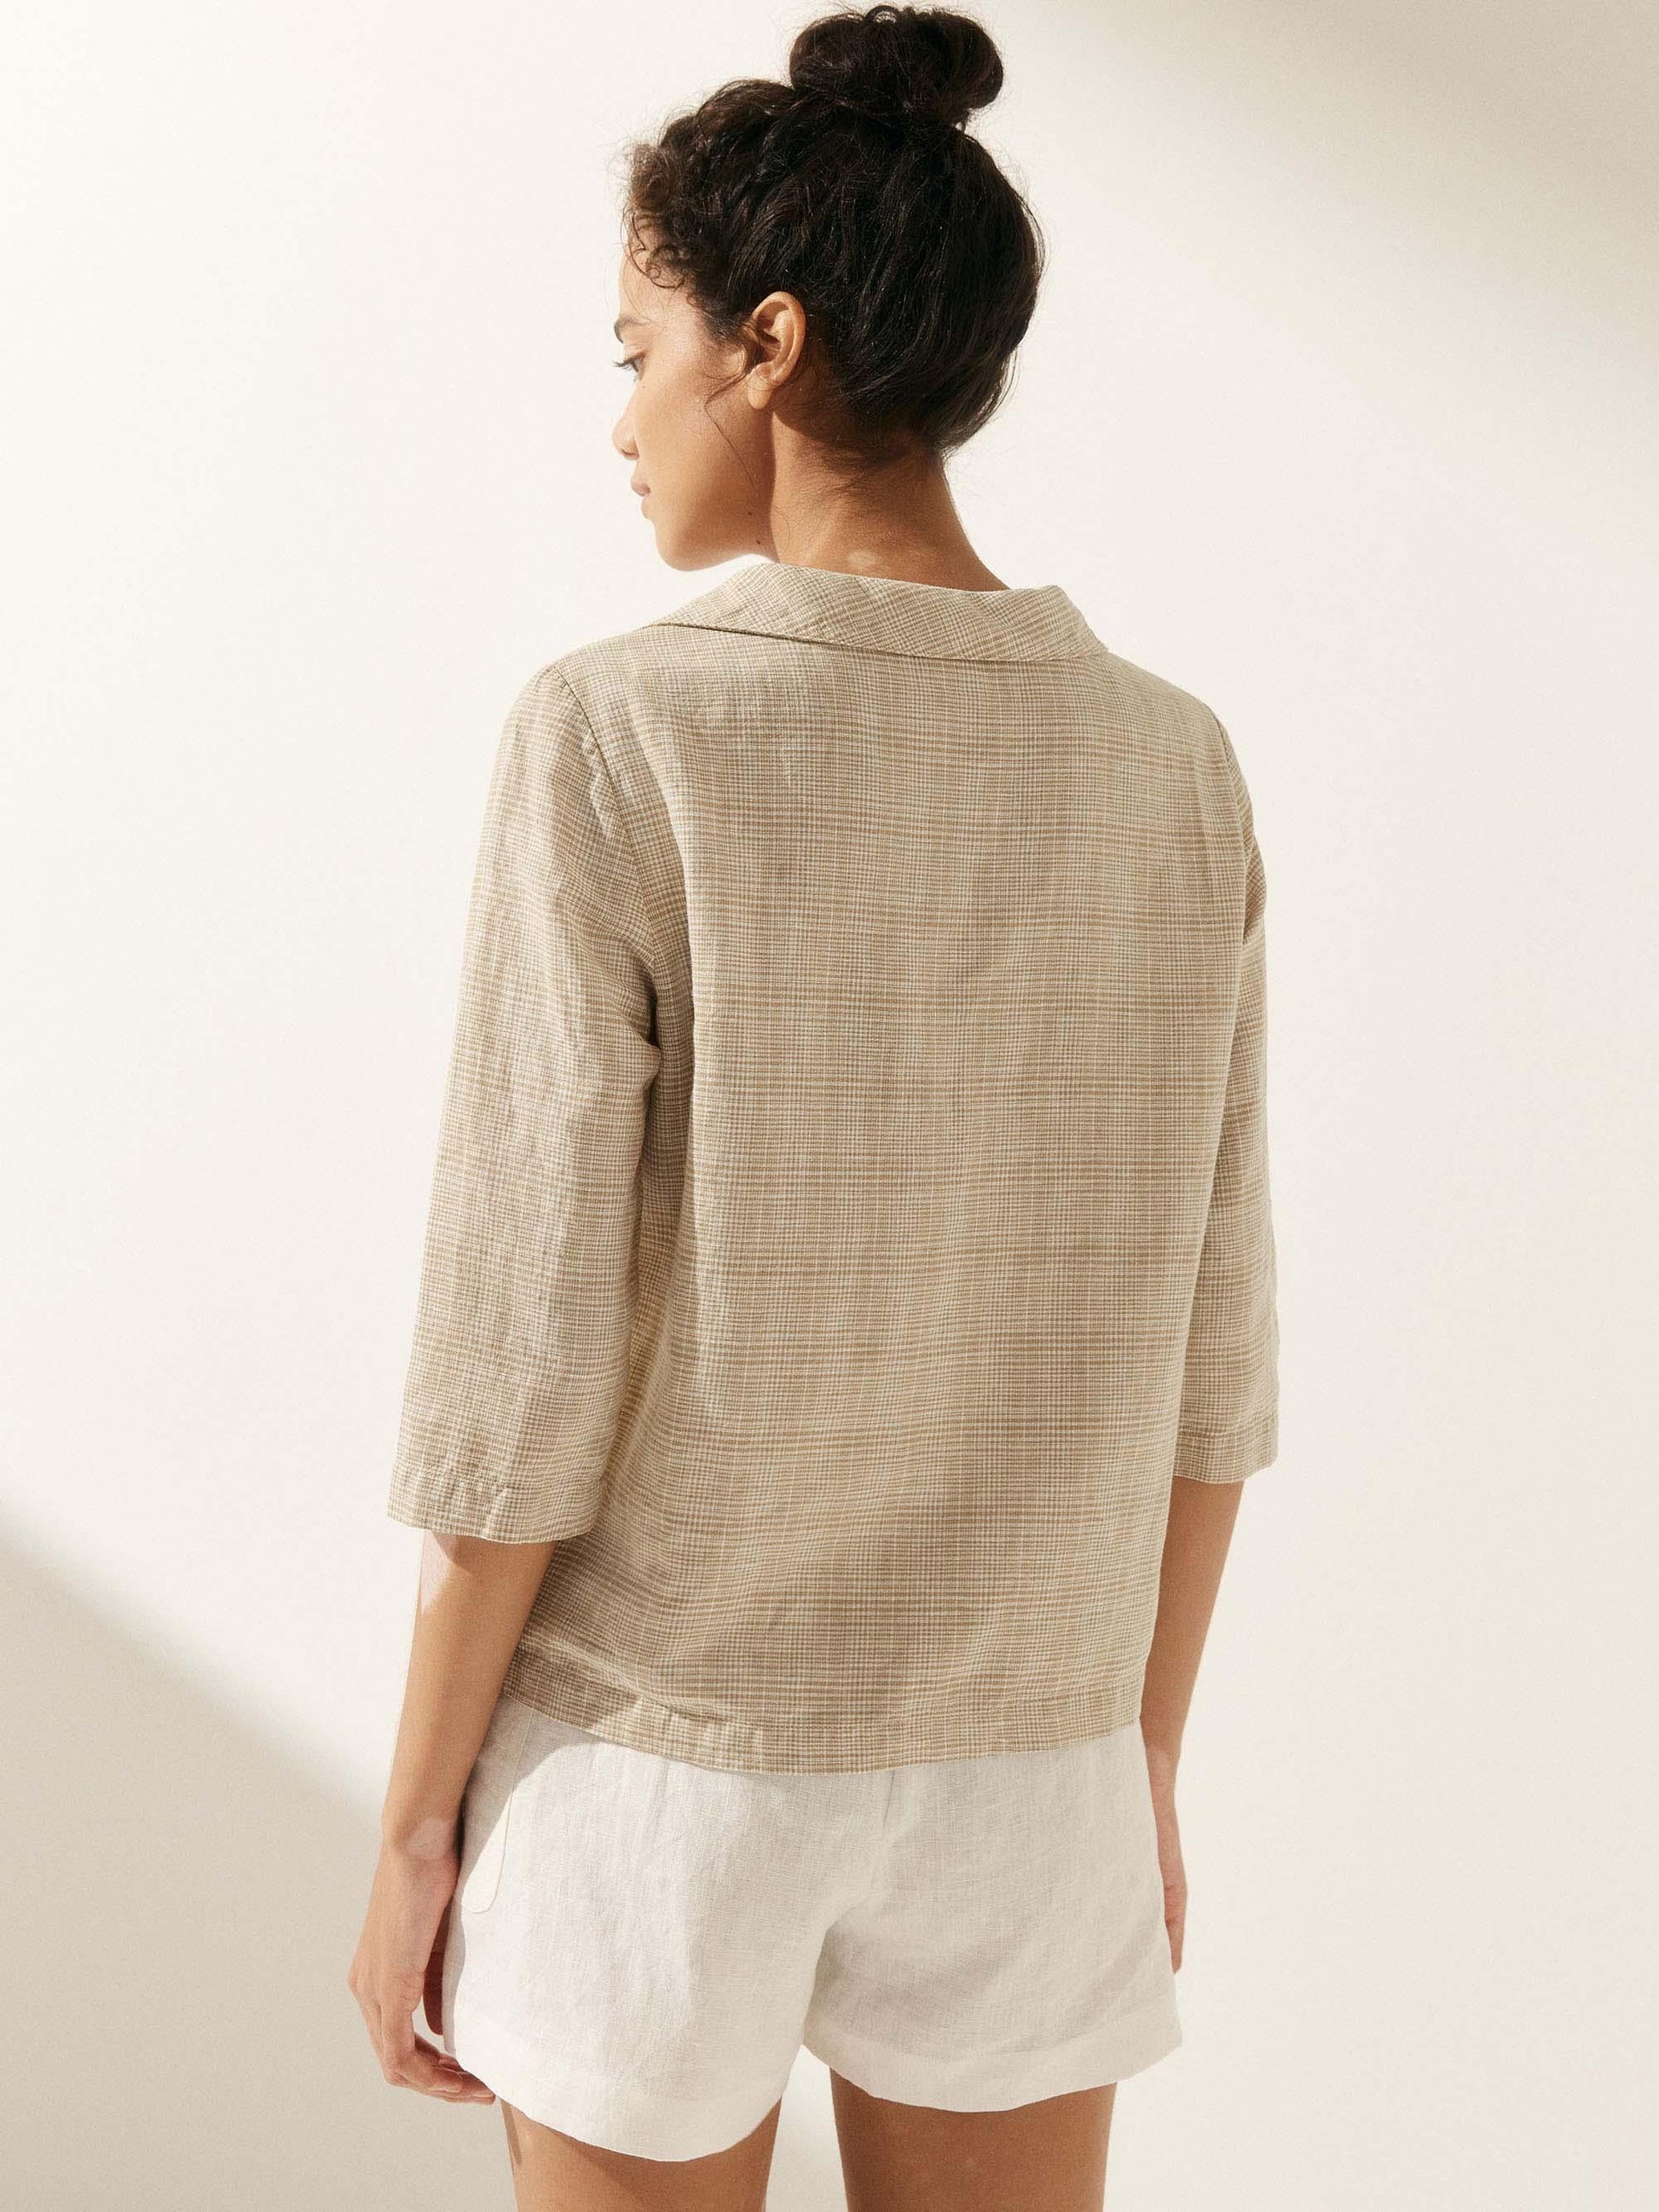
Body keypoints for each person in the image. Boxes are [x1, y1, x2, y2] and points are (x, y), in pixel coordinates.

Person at [349, 6, 1280, 2207]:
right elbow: (1213, 1351)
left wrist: (412, 1829)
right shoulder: (1169, 760)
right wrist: (1135, 1757)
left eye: (634, 349)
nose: (621, 416)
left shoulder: (621, 733)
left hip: (663, 1767)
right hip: (1036, 1762)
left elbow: (518, 1365)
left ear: (764, 346)